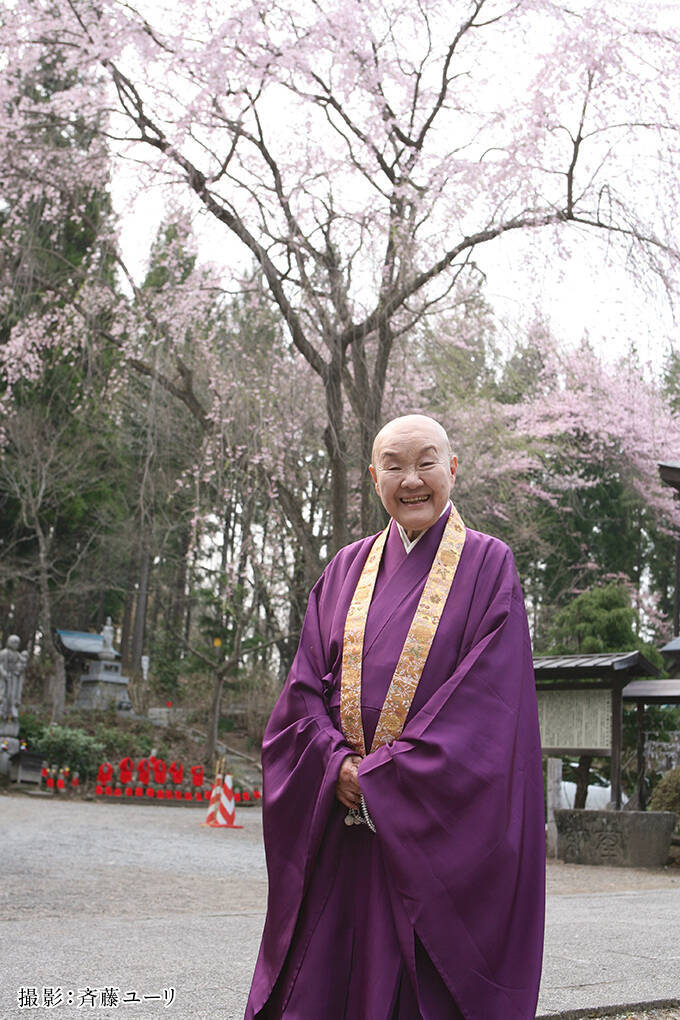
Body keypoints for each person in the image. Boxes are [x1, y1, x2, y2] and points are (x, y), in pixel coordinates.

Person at [245, 414, 545, 1020]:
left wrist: (384, 778)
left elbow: (488, 705)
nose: (412, 480)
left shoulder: (490, 565)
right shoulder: (344, 568)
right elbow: (302, 691)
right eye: (394, 466)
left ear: (452, 469)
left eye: (426, 462)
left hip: (430, 829)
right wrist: (335, 766)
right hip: (341, 823)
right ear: (372, 477)